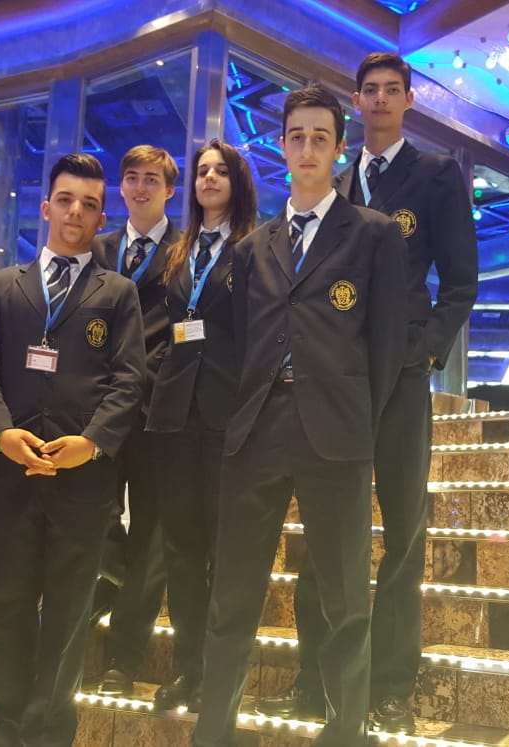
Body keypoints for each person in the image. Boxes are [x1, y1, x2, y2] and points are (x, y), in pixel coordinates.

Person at [257, 52, 479, 734]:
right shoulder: (338, 179)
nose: (380, 99)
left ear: (408, 100)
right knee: (330, 532)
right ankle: (315, 678)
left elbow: (461, 283)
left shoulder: (436, 175)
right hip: (338, 375)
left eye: (392, 90)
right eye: (370, 90)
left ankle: (390, 685)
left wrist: (426, 351)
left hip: (403, 375)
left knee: (404, 533)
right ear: (356, 102)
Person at [193, 86, 408, 747]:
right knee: (232, 596)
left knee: (345, 600)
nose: (308, 148)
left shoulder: (373, 234)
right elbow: (234, 341)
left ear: (339, 147)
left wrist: (359, 418)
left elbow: (387, 344)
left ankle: (346, 731)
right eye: (297, 136)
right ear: (282, 146)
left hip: (336, 432)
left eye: (320, 137)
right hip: (257, 429)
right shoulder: (252, 248)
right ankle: (213, 732)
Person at [0, 153, 145, 747]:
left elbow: (129, 382)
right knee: (8, 604)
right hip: (10, 475)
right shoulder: (3, 287)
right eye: (66, 200)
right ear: (46, 207)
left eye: (89, 204)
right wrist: (1, 435)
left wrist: (91, 444)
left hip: (83, 483)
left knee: (69, 613)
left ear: (101, 218)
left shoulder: (117, 293)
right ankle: (8, 722)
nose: (76, 212)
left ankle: (48, 731)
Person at [145, 139, 258, 711]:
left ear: (237, 181)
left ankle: (219, 672)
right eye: (202, 171)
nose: (209, 178)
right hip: (173, 414)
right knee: (182, 550)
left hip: (227, 413)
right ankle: (187, 668)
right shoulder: (179, 250)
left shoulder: (254, 248)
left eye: (220, 171)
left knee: (223, 549)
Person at [92, 145, 183, 696]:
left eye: (152, 179)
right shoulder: (98, 248)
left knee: (152, 532)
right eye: (132, 178)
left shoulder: (186, 251)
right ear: (121, 187)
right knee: (95, 518)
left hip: (158, 410)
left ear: (170, 190)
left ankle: (123, 659)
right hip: (99, 411)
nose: (141, 187)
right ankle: (118, 578)